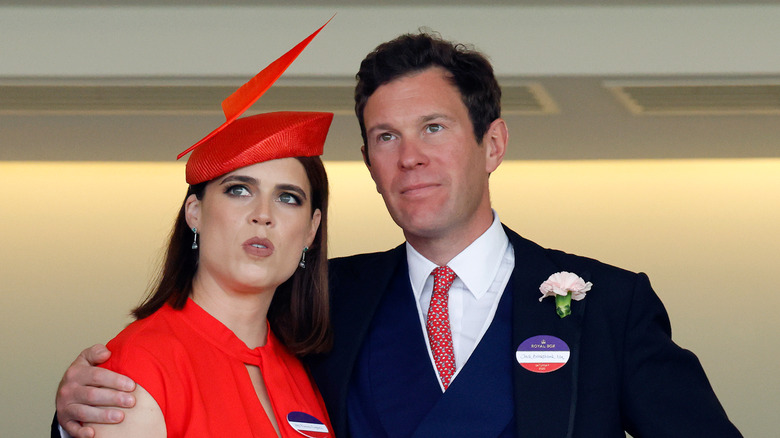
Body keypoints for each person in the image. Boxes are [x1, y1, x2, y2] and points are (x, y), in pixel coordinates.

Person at [53, 32, 742, 437]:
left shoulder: (608, 306)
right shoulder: (317, 299)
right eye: (386, 137)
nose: (409, 156)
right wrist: (77, 411)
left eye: (433, 129)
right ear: (369, 166)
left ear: (493, 143)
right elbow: (198, 351)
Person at [53, 23, 336, 438]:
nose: (263, 214)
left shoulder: (303, 370)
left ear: (311, 230)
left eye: (288, 197)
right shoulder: (137, 366)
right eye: (239, 190)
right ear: (194, 213)